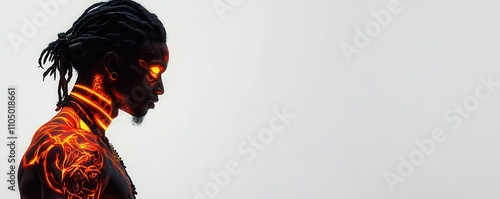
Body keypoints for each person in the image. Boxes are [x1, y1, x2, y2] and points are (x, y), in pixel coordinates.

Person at [18, 0, 169, 198]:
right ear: (112, 65)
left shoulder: (78, 137)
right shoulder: (78, 149)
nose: (160, 89)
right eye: (152, 72)